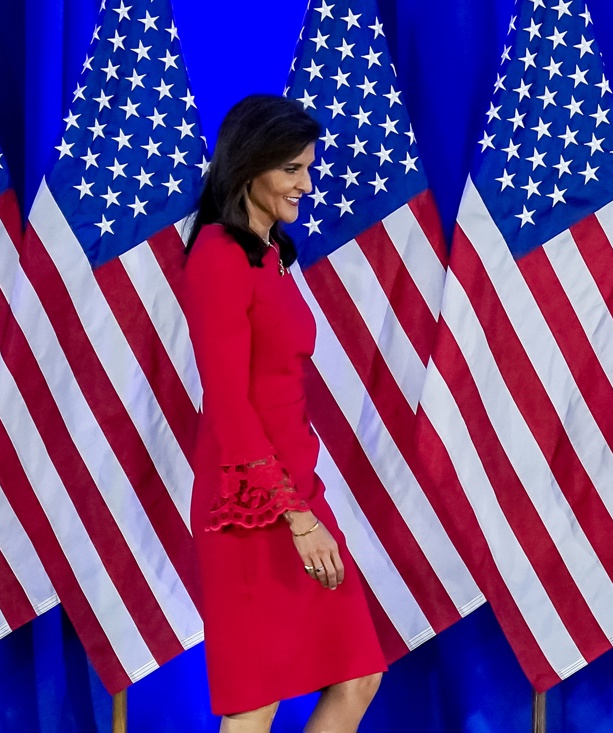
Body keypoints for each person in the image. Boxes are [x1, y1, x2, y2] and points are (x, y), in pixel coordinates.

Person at [183, 94, 387, 733]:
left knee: (357, 675)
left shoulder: (270, 254)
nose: (306, 183)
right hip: (249, 506)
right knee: (257, 700)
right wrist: (296, 518)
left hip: (297, 490)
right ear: (251, 166)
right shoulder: (218, 252)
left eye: (308, 168)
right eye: (293, 169)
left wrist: (303, 504)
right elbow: (228, 399)